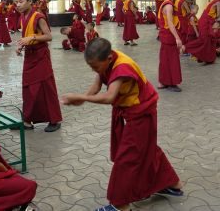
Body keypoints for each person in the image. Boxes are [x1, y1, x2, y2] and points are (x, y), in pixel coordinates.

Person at [61, 38, 184, 211]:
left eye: (95, 67)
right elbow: (96, 86)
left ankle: (120, 205)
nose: (94, 70)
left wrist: (81, 98)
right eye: (91, 67)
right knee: (147, 148)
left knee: (127, 157)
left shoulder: (121, 67)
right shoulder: (107, 61)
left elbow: (109, 97)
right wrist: (82, 98)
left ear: (109, 58)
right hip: (133, 112)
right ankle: (173, 184)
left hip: (142, 112)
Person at [16, 0, 62, 132]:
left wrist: (32, 38)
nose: (18, 5)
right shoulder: (23, 16)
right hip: (30, 56)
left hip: (40, 56)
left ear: (30, 2)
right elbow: (27, 36)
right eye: (16, 2)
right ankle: (27, 121)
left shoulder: (38, 16)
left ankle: (54, 120)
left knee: (46, 87)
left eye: (21, 2)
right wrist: (21, 46)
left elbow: (49, 36)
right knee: (28, 89)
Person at [157, 0, 182, 92]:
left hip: (165, 35)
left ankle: (162, 82)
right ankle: (171, 83)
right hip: (169, 36)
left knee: (165, 59)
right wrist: (177, 38)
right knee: (171, 60)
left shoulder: (166, 3)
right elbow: (171, 24)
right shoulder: (169, 6)